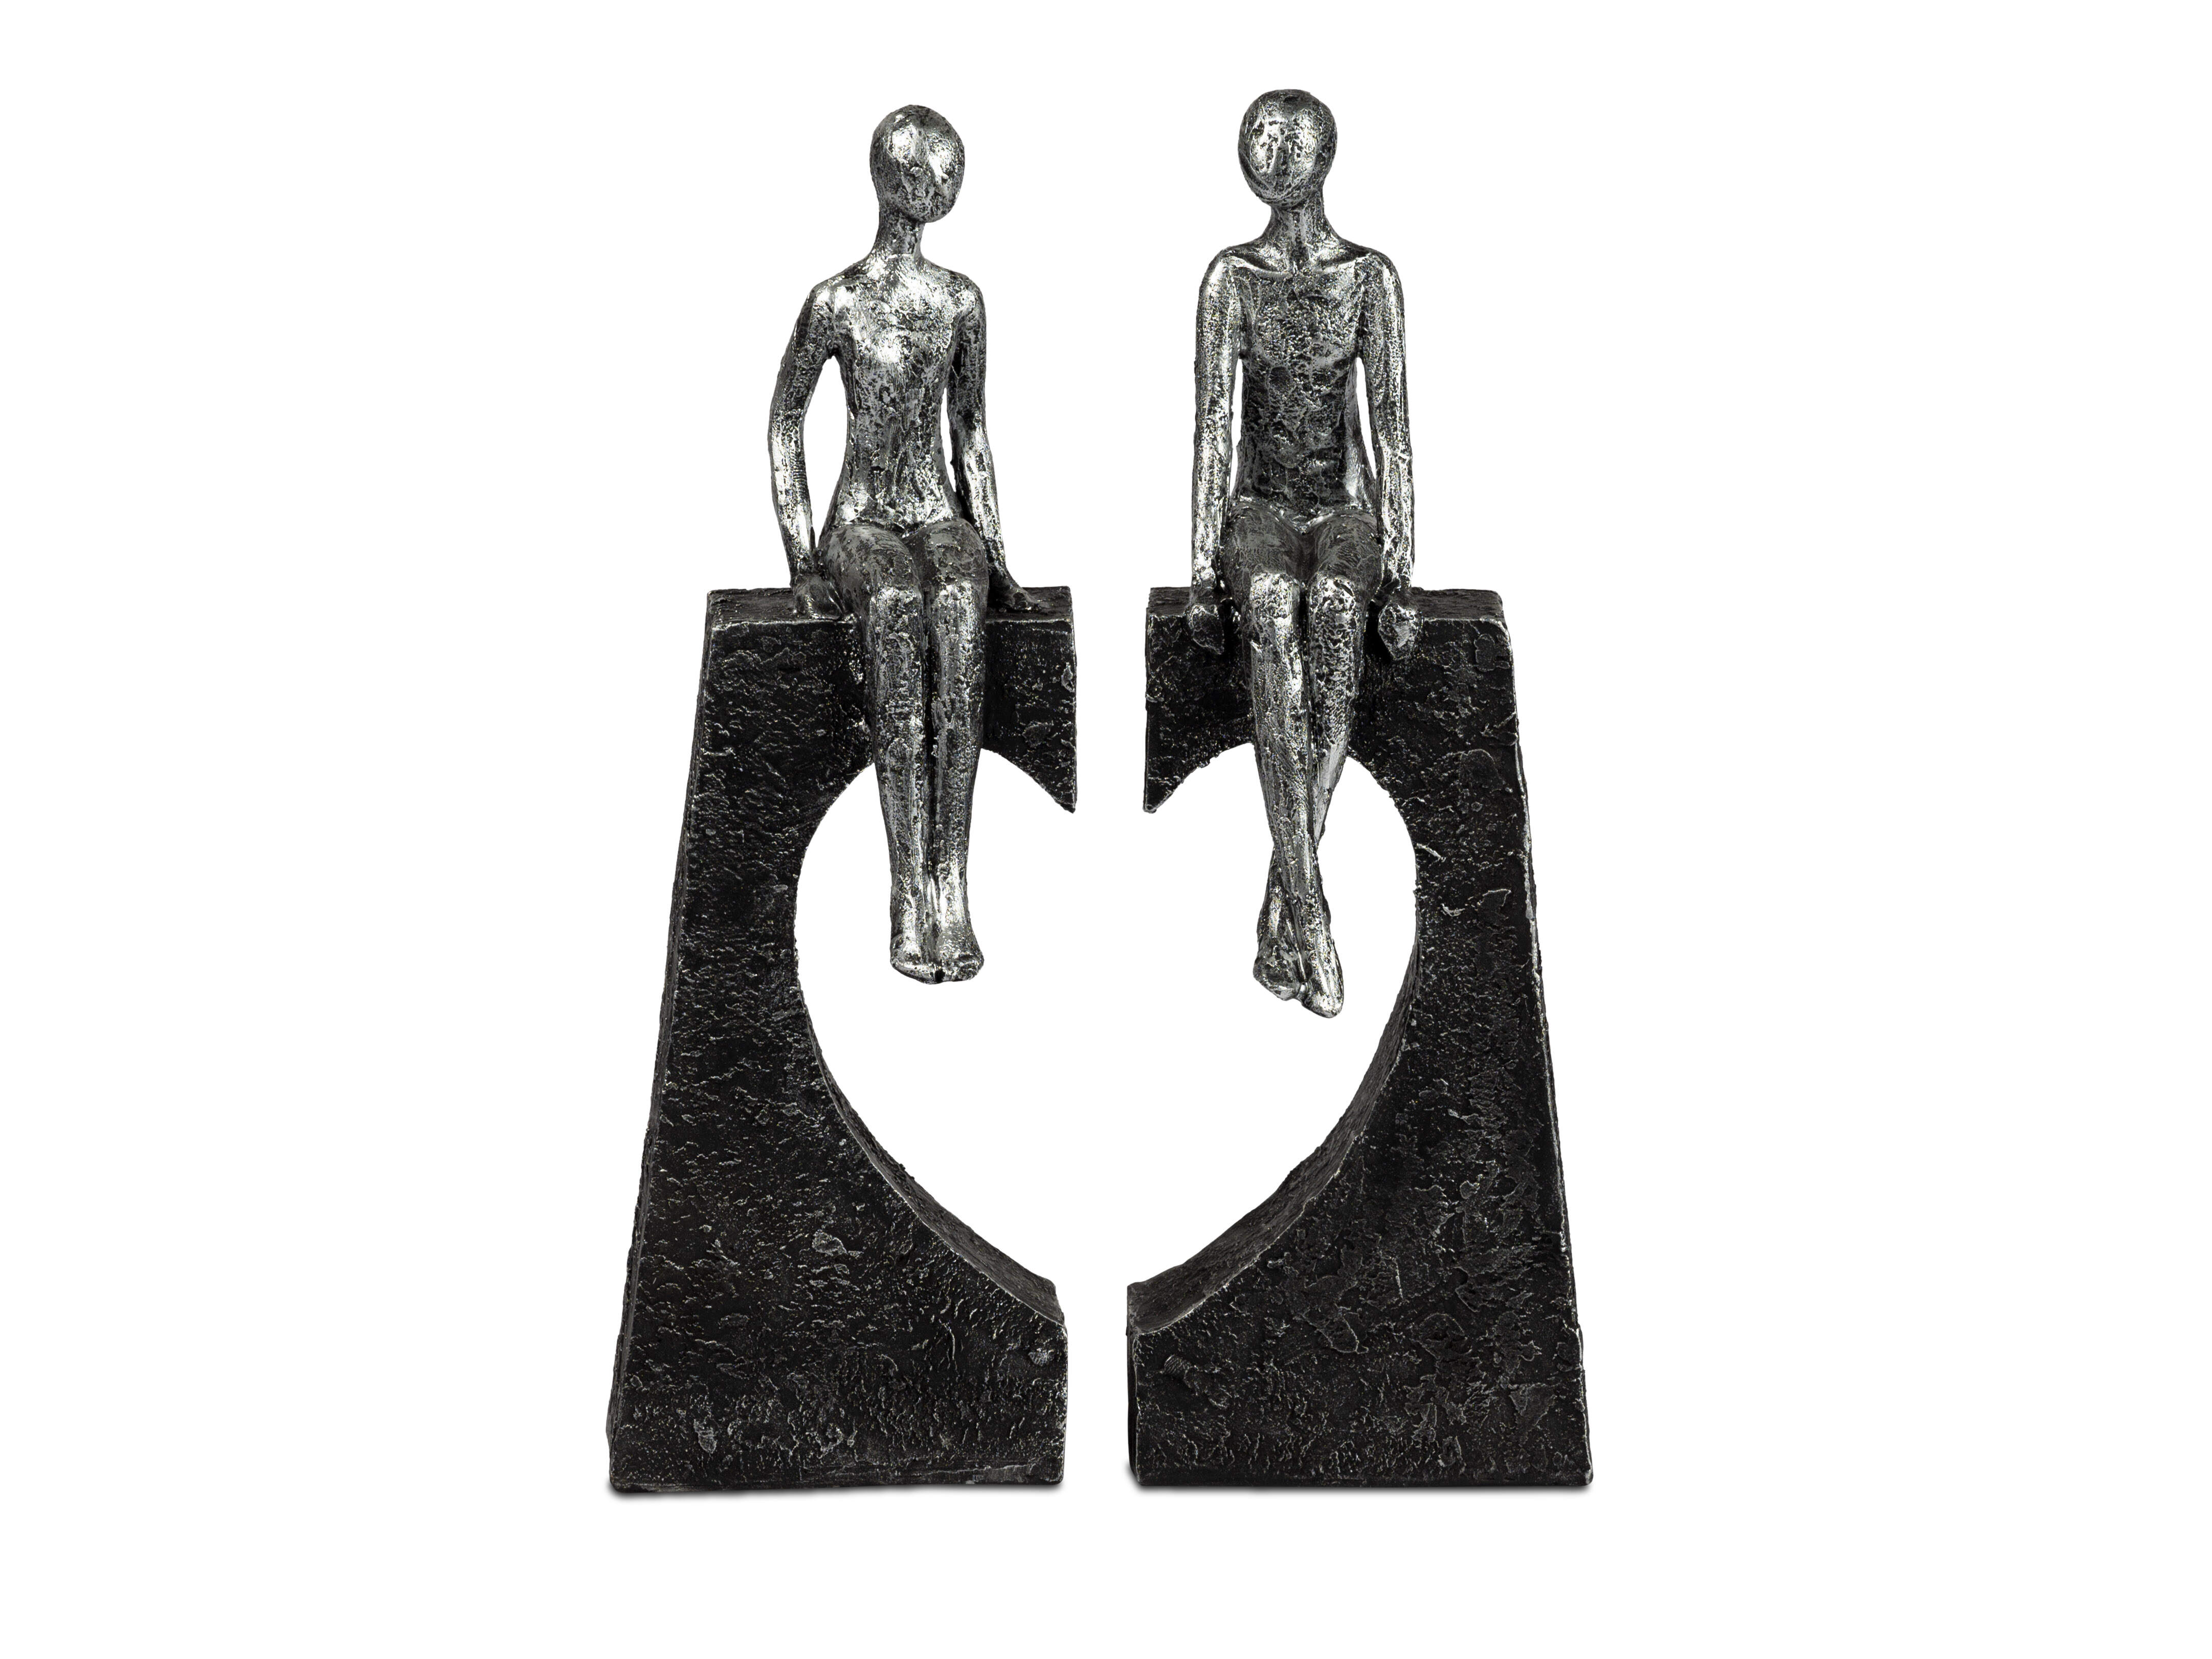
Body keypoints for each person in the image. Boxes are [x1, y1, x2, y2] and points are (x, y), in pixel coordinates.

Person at [768, 106, 1037, 983]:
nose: (941, 186)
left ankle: (951, 882)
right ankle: (906, 888)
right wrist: (801, 561)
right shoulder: (838, 301)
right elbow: (785, 423)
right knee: (890, 602)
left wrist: (999, 556)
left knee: (957, 603)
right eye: (929, 171)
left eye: (950, 172)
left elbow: (972, 435)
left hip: (937, 511)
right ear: (893, 177)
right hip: (863, 520)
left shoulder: (959, 301)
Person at [1187, 89, 1421, 1018]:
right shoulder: (1231, 278)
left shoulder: (1367, 279)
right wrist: (1201, 566)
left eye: (1288, 145)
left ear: (1322, 157)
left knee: (1333, 611)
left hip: (1342, 508)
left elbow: (1392, 432)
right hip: (1259, 509)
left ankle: (1285, 897)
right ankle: (1311, 914)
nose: (1272, 158)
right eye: (1259, 143)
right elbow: (1213, 428)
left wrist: (1402, 572)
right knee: (1271, 606)